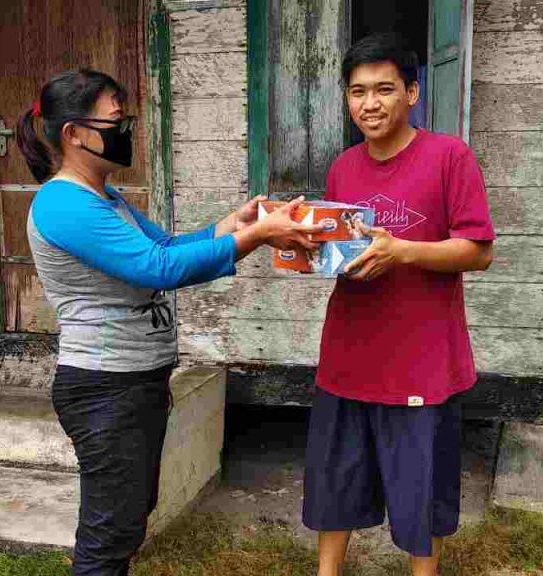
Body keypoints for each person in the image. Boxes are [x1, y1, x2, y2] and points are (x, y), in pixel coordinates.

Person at [16, 69, 320, 576]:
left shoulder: (103, 198)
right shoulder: (62, 203)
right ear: (74, 133)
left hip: (131, 382)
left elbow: (164, 247)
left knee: (126, 519)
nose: (126, 131)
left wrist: (232, 225)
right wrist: (257, 237)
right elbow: (157, 268)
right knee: (109, 533)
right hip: (105, 386)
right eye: (116, 121)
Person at [302, 34, 496, 576]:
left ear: (412, 93)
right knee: (334, 482)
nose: (370, 103)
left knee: (421, 494)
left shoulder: (449, 157)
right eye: (357, 91)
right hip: (348, 355)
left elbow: (478, 251)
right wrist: (307, 250)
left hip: (422, 360)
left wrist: (402, 251)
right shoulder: (343, 167)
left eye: (384, 89)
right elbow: (345, 252)